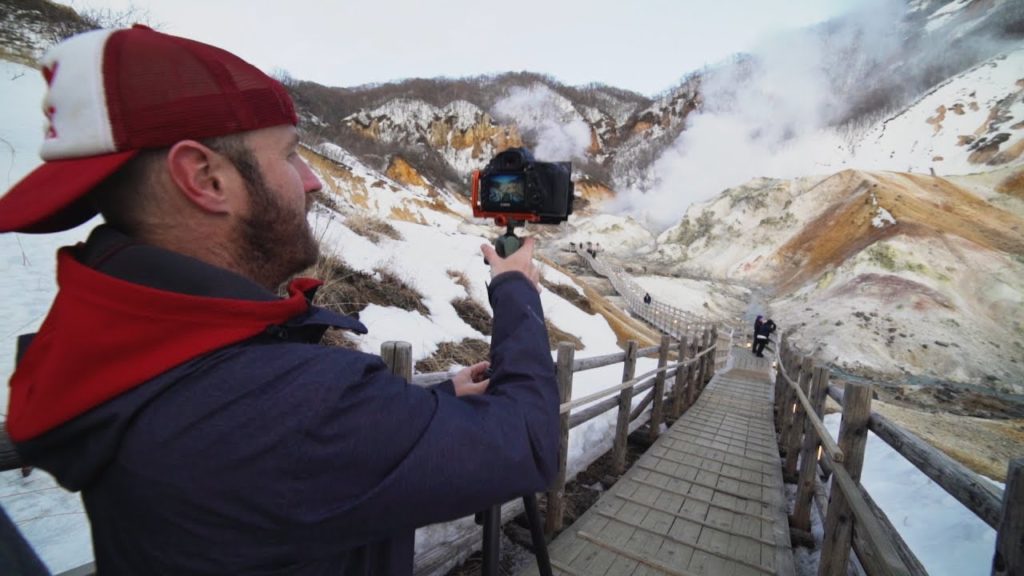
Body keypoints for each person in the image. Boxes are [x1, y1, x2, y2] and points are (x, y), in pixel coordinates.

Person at [0, 26, 558, 575]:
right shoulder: (286, 409)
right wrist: (514, 289)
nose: (312, 180)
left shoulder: (110, 353)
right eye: (290, 155)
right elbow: (529, 440)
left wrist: (425, 407)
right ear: (205, 178)